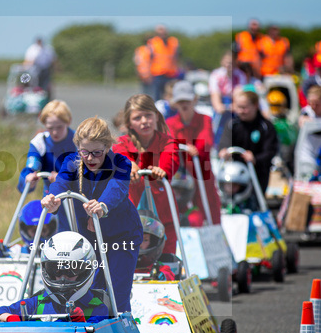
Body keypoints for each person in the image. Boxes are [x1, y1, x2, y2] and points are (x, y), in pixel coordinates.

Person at [42, 117, 143, 313]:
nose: (90, 158)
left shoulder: (121, 162)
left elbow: (118, 188)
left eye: (97, 153)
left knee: (116, 291)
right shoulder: (72, 162)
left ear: (107, 147)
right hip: (89, 237)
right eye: (85, 152)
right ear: (78, 148)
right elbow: (60, 183)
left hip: (123, 235)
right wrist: (52, 199)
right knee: (88, 290)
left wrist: (103, 206)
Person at [0, 231, 111, 323]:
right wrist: (10, 318)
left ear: (85, 270)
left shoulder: (97, 307)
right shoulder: (38, 302)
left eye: (71, 270)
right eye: (56, 270)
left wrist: (84, 326)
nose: (63, 277)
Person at [113, 95, 181, 257]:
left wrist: (161, 170)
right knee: (131, 253)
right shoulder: (122, 143)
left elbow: (171, 158)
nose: (144, 121)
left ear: (156, 116)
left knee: (167, 253)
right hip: (133, 212)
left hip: (163, 212)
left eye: (148, 115)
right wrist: (130, 165)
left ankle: (167, 272)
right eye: (137, 118)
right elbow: (119, 156)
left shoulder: (168, 142)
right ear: (129, 123)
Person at [165, 81, 223, 225]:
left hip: (202, 171)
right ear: (175, 103)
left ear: (194, 100)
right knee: (179, 206)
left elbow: (206, 141)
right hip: (180, 174)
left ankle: (214, 231)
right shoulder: (170, 122)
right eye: (180, 101)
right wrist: (184, 147)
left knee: (210, 205)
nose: (184, 104)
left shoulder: (205, 119)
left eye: (187, 100)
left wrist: (194, 148)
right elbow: (168, 143)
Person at [220, 88, 280, 194]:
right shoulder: (232, 124)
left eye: (244, 108)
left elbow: (270, 151)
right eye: (238, 107)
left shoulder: (266, 126)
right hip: (236, 174)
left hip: (258, 173)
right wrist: (223, 151)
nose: (241, 111)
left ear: (255, 106)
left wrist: (255, 159)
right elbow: (224, 143)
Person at [208, 50, 249, 147]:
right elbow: (215, 97)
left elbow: (239, 95)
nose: (228, 65)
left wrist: (234, 106)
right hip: (221, 104)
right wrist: (220, 107)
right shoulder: (216, 75)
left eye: (231, 63)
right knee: (218, 126)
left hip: (233, 102)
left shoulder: (240, 75)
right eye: (226, 62)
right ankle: (216, 146)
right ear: (222, 61)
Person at [146, 25, 180, 101]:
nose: (162, 32)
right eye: (160, 30)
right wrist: (148, 73)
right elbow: (149, 59)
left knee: (171, 96)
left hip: (171, 73)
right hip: (157, 73)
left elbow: (177, 57)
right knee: (157, 96)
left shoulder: (173, 42)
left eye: (163, 30)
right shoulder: (153, 42)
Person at [23, 37, 57, 101]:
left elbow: (53, 59)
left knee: (46, 85)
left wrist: (55, 68)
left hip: (45, 69)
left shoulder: (48, 49)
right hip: (34, 70)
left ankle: (45, 99)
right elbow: (28, 60)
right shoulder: (32, 49)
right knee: (34, 85)